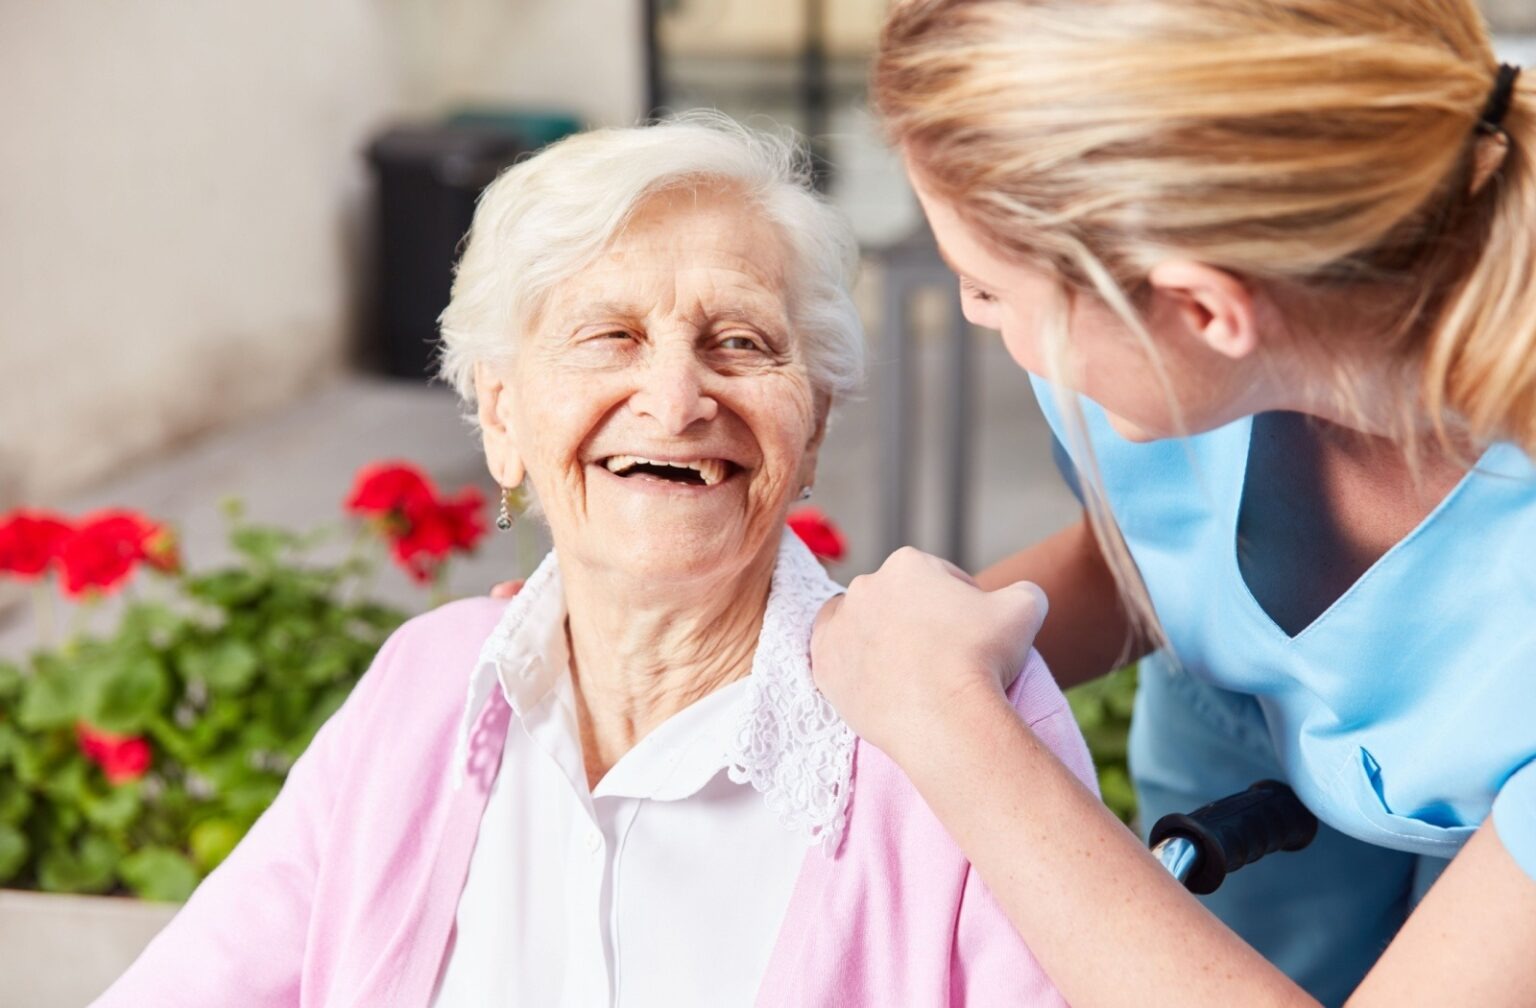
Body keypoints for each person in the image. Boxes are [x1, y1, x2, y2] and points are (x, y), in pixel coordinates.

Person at [92, 116, 1095, 1007]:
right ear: (501, 418)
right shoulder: (426, 689)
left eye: (741, 342)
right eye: (608, 337)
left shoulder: (958, 727)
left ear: (815, 424)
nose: (675, 400)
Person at [811, 1, 1536, 1005]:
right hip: (1238, 739)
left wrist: (951, 725)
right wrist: (857, 677)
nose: (981, 317)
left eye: (987, 290)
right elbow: (1159, 557)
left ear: (1199, 308)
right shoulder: (1172, 367)